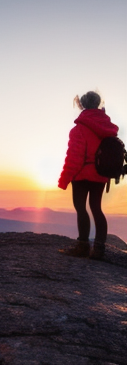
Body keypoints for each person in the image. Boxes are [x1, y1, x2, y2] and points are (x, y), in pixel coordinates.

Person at [58, 91, 119, 260]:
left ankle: (82, 246)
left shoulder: (79, 129)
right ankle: (99, 249)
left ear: (82, 105)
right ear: (98, 104)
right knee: (96, 208)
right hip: (101, 174)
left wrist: (64, 179)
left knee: (80, 208)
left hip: (83, 174)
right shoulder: (107, 127)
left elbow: (74, 157)